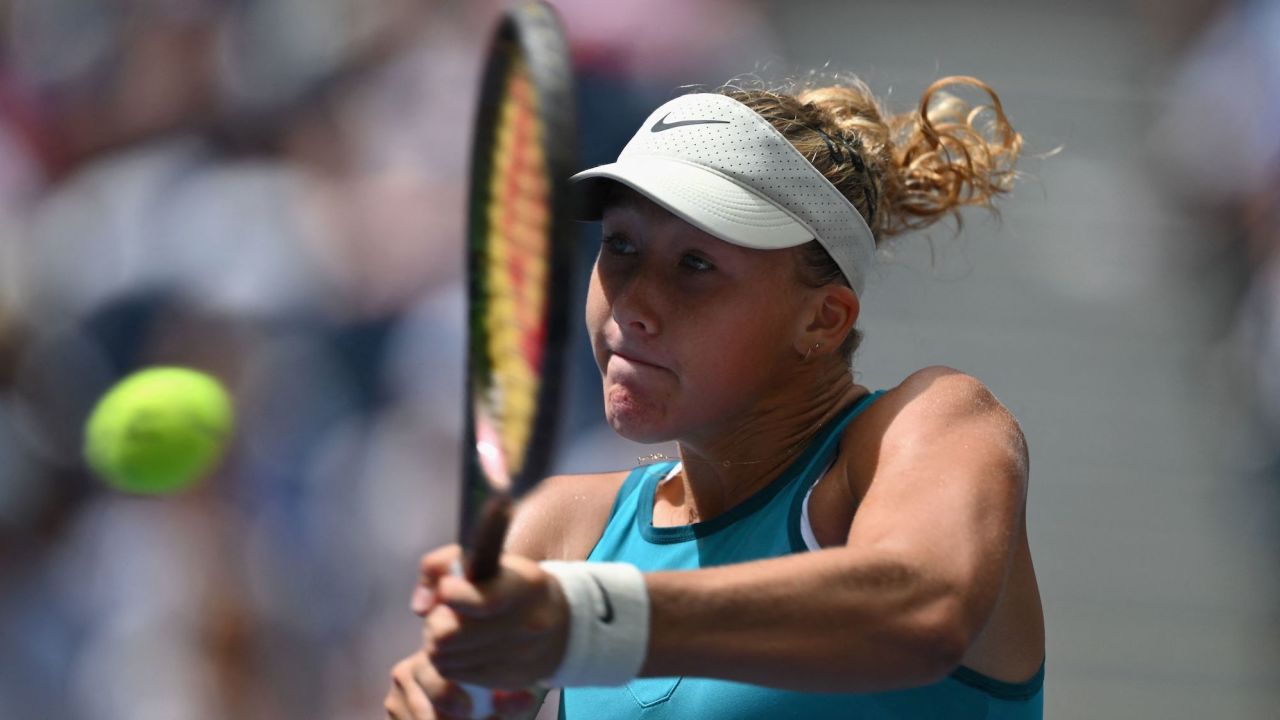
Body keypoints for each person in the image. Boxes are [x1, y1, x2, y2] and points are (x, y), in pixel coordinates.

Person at [385, 74, 1044, 719]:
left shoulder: (940, 421)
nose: (634, 301)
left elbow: (924, 610)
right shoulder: (558, 531)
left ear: (824, 319)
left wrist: (589, 618)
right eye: (620, 245)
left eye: (695, 264)